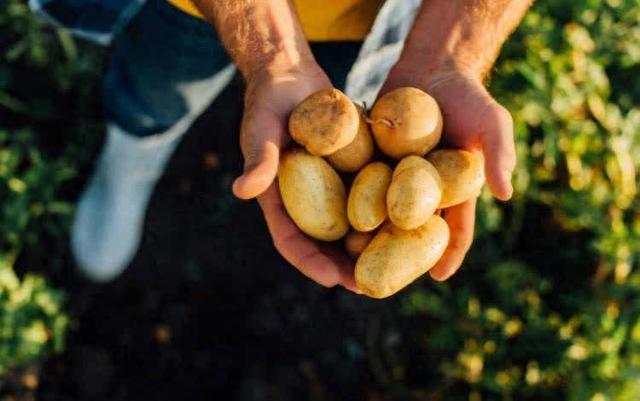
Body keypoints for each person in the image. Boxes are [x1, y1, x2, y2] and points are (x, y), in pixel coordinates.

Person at [31, 0, 532, 292]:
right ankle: (134, 158)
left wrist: (448, 51)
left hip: (383, 15)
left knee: (339, 111)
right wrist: (271, 49)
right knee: (156, 91)